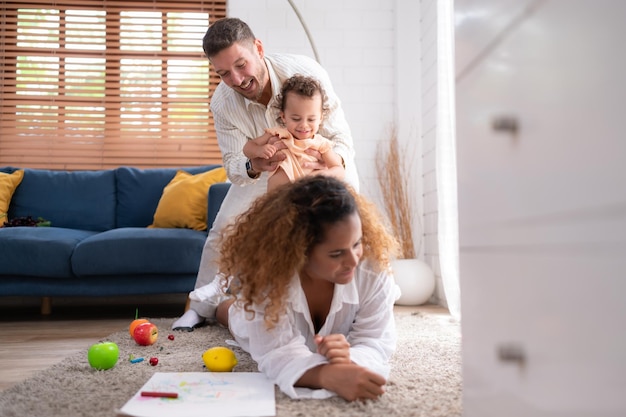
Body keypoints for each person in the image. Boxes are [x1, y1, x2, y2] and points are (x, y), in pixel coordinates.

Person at [172, 17, 359, 330]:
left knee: (347, 223)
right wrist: (254, 165)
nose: (237, 79)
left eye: (241, 65)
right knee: (224, 228)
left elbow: (341, 137)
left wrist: (331, 164)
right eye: (224, 73)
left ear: (258, 48)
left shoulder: (305, 74)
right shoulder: (222, 103)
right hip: (269, 173)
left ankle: (353, 306)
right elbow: (233, 164)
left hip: (320, 163)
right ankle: (201, 307)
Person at [214, 175, 400, 401]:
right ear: (298, 252)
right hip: (251, 310)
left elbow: (375, 341)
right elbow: (276, 354)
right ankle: (216, 302)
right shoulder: (267, 279)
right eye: (336, 253)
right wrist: (327, 375)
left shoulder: (373, 270)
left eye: (357, 243)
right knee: (236, 316)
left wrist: (349, 358)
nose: (353, 261)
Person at [243, 74, 345, 191]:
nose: (303, 125)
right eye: (296, 119)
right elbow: (248, 148)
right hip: (277, 201)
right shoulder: (277, 134)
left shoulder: (320, 144)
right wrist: (259, 150)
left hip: (308, 199)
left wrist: (320, 176)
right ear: (283, 116)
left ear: (321, 118)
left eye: (311, 119)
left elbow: (339, 170)